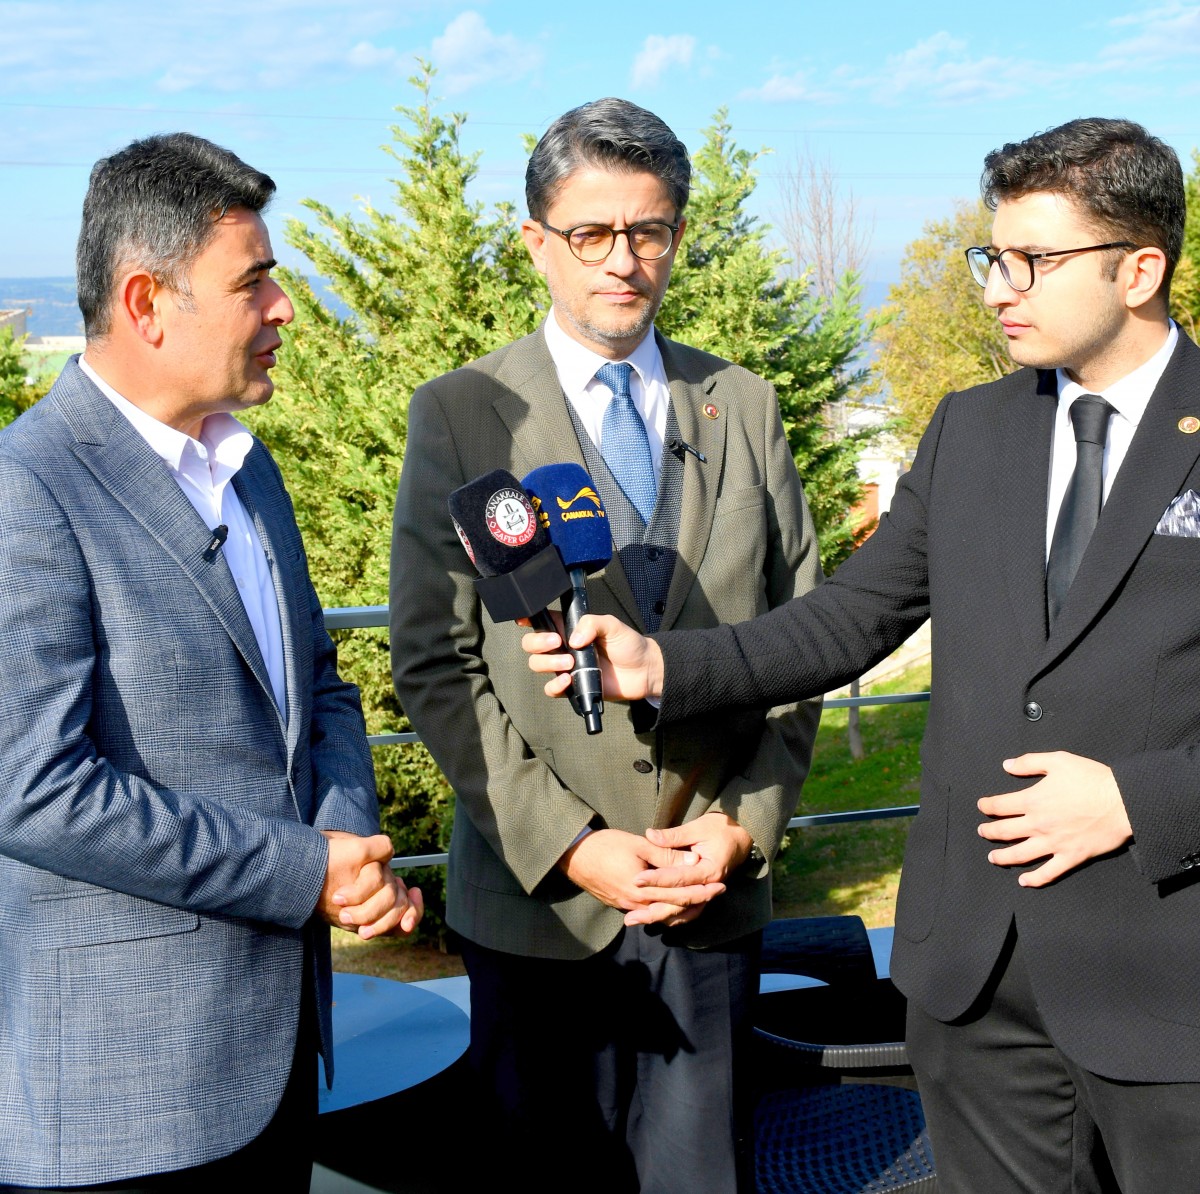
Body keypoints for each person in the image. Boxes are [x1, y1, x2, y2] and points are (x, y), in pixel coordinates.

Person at [526, 116, 1200, 1193]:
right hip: (975, 992)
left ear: (1139, 270)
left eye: (1034, 260)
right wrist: (662, 667)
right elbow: (847, 619)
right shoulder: (971, 430)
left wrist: (1141, 800)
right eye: (994, 257)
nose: (998, 288)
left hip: (1168, 982)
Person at [390, 97, 822, 1191]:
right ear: (536, 241)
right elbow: (434, 662)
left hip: (708, 900)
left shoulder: (744, 405)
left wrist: (737, 830)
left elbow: (805, 644)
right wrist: (572, 845)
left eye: (650, 230)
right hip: (539, 910)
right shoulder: (462, 412)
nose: (623, 262)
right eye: (591, 233)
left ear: (677, 235)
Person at [0, 133, 422, 1192]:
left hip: (274, 1069)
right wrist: (304, 872)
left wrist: (348, 846)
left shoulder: (245, 465)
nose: (284, 308)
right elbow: (32, 789)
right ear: (146, 303)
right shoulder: (27, 490)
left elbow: (317, 683)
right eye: (253, 282)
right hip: (121, 1107)